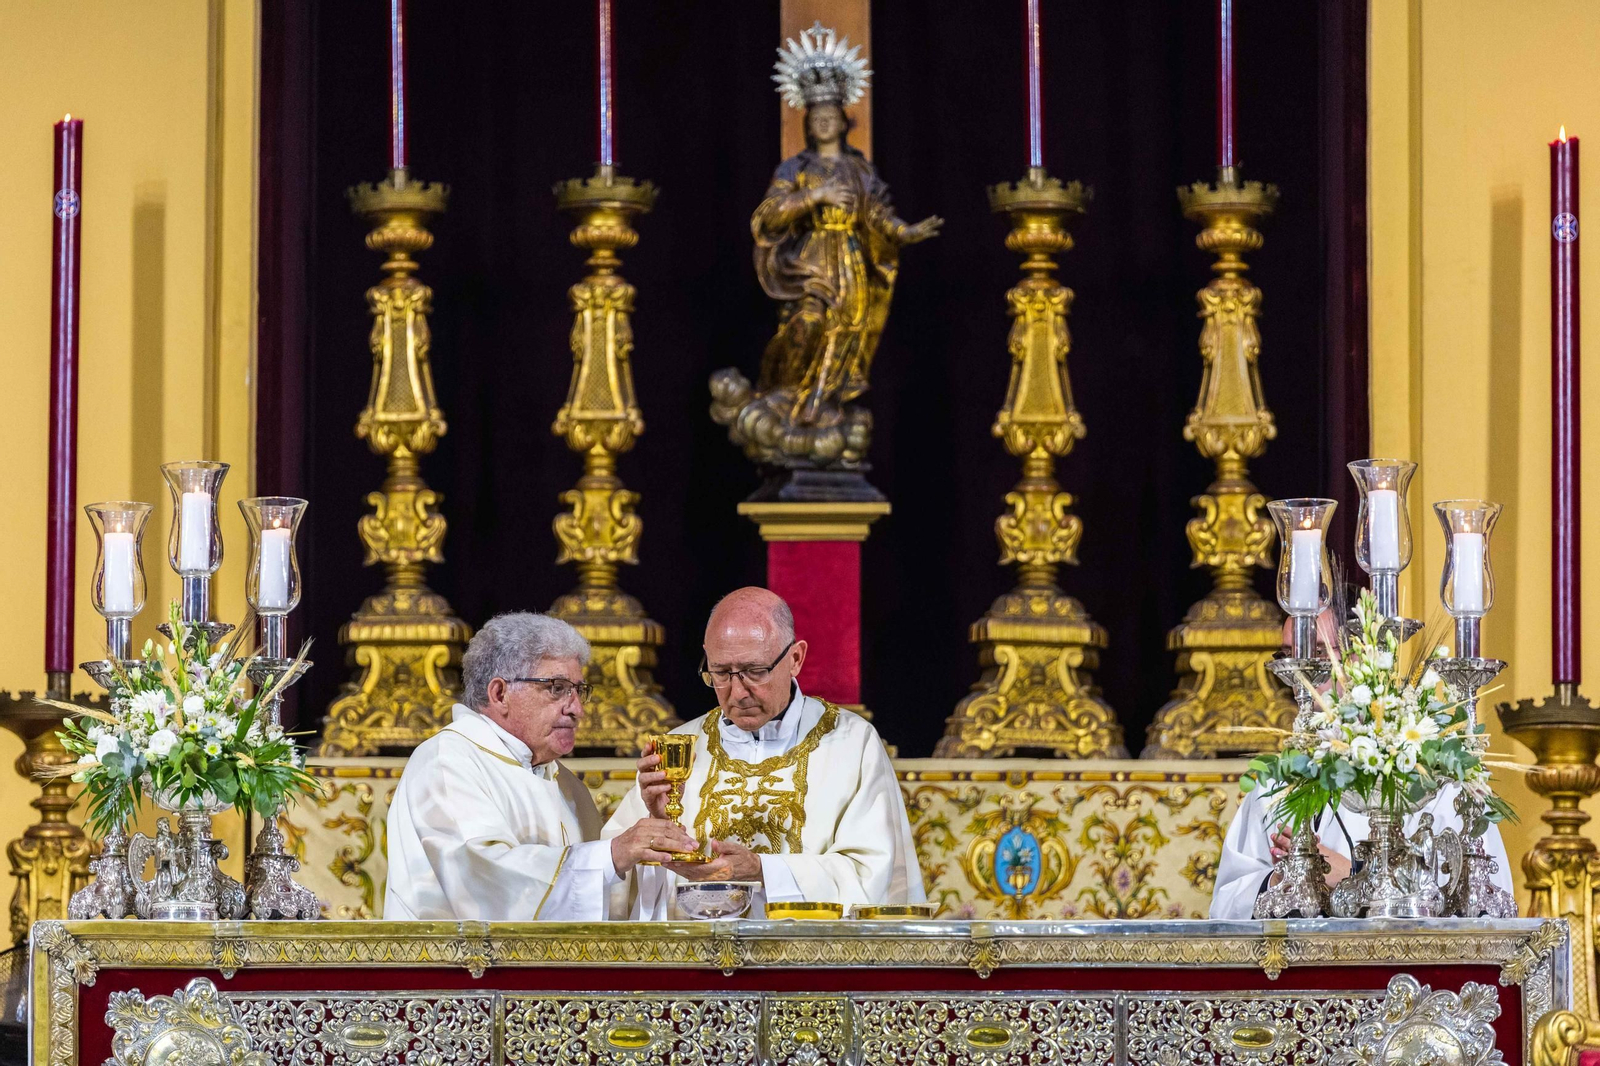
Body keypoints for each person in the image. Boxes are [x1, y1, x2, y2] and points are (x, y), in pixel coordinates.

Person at [604, 587, 924, 918]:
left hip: (807, 963)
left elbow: (873, 877)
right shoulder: (681, 746)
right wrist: (660, 825)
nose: (738, 692)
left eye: (755, 671)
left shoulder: (852, 743)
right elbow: (615, 885)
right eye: (721, 672)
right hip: (699, 961)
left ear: (795, 659)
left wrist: (762, 870)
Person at [385, 612, 694, 920]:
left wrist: (657, 844)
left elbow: (597, 902)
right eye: (557, 688)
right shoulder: (447, 762)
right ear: (500, 693)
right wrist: (613, 854)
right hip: (454, 967)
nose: (577, 710)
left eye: (579, 690)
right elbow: (485, 878)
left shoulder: (567, 786)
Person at [1209, 612, 1515, 918]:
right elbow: (1226, 901)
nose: (1301, 673)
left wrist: (1349, 874)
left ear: (1359, 657)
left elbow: (1475, 899)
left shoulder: (1428, 770)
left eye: (1318, 653)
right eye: (1288, 657)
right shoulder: (1276, 782)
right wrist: (1283, 880)